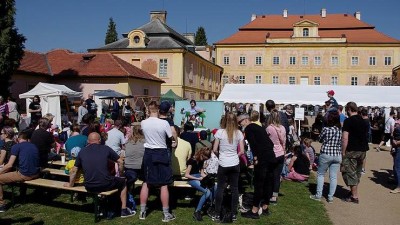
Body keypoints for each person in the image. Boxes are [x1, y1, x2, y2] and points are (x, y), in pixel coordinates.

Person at [64, 132, 135, 217]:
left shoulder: (82, 151)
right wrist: (121, 173)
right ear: (100, 140)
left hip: (89, 185)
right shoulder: (105, 149)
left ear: (88, 141)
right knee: (123, 182)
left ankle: (105, 206)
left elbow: (73, 170)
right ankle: (124, 210)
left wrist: (70, 185)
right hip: (105, 183)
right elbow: (120, 161)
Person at [139, 101, 176, 222]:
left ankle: (142, 211)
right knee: (164, 183)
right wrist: (174, 141)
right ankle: (166, 214)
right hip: (161, 151)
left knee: (146, 182)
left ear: (148, 110)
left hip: (149, 152)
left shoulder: (143, 122)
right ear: (158, 110)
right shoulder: (164, 123)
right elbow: (171, 137)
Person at [238, 114, 275, 219]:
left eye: (240, 122)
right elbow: (270, 143)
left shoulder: (249, 129)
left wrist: (255, 158)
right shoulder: (259, 127)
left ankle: (254, 210)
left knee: (259, 184)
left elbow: (253, 144)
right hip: (271, 156)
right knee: (268, 183)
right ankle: (265, 207)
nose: (240, 125)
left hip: (262, 158)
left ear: (245, 120)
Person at [212, 112, 245, 222]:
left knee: (220, 188)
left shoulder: (220, 132)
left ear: (225, 120)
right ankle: (234, 214)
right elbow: (242, 151)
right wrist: (235, 155)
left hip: (223, 163)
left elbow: (215, 149)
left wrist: (220, 156)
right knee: (234, 189)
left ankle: (217, 214)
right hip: (234, 163)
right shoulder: (239, 133)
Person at [0, 130, 40, 212]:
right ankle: (22, 196)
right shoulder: (34, 146)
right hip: (36, 173)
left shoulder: (16, 146)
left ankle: (1, 205)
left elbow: (9, 165)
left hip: (25, 174)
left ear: (18, 138)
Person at [310, 111, 342, 203]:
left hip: (326, 153)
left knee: (320, 174)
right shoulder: (340, 130)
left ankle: (318, 195)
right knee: (333, 177)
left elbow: (320, 140)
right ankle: (330, 197)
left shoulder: (326, 129)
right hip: (337, 154)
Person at [341, 101, 369, 204]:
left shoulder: (348, 121)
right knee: (357, 173)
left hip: (352, 150)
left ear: (348, 109)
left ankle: (354, 196)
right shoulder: (363, 120)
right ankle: (353, 192)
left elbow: (345, 138)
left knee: (348, 172)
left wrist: (343, 152)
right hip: (362, 150)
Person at [185, 147, 214, 221]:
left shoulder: (201, 160)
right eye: (205, 158)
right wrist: (198, 179)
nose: (205, 160)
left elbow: (201, 173)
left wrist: (208, 177)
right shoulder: (191, 161)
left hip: (198, 176)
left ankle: (210, 207)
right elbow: (187, 175)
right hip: (192, 178)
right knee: (207, 192)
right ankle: (197, 211)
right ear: (201, 154)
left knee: (214, 186)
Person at [266, 109, 286, 204]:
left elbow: (266, 141)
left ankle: (269, 194)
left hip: (273, 153)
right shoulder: (283, 128)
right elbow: (284, 142)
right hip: (281, 153)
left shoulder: (269, 128)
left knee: (270, 175)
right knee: (277, 176)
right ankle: (275, 196)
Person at [124, 125, 145, 211]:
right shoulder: (145, 142)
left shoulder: (128, 142)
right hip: (141, 167)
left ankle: (128, 194)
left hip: (129, 167)